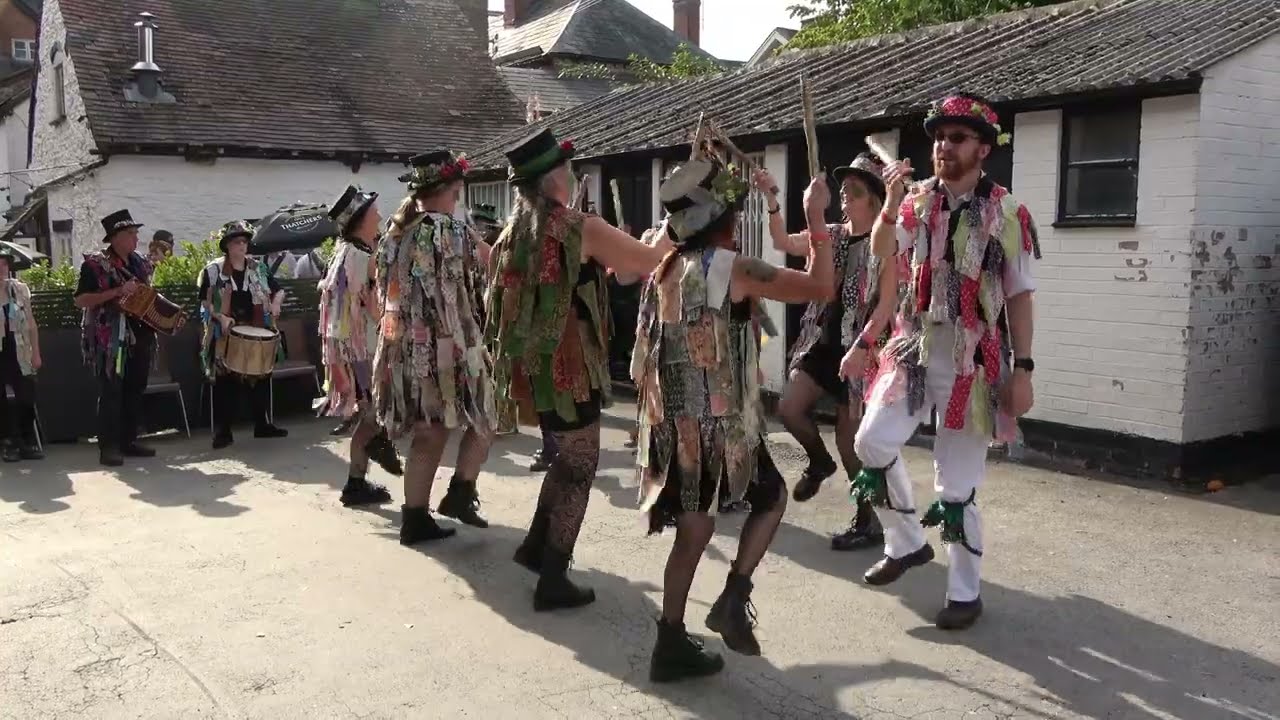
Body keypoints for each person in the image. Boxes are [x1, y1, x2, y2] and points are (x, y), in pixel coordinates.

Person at [634, 157, 834, 682]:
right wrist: (816, 218)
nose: (740, 219)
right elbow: (821, 287)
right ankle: (732, 597)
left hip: (674, 424)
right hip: (720, 427)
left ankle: (669, 642)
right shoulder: (733, 268)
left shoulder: (667, 269)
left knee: (694, 528)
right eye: (736, 211)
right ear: (723, 218)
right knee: (772, 497)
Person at [854, 92, 1039, 631]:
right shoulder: (915, 202)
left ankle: (965, 594)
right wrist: (891, 200)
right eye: (938, 138)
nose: (943, 146)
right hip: (913, 348)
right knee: (871, 441)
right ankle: (906, 542)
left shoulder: (1007, 212)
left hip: (972, 360)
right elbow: (881, 248)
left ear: (983, 148)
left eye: (956, 138)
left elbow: (1020, 296)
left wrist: (1023, 370)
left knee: (956, 486)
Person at [487, 128, 669, 612]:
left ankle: (535, 547)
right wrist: (676, 218)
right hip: (570, 365)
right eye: (567, 169)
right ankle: (553, 577)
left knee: (567, 459)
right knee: (581, 465)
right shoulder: (577, 226)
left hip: (535, 370)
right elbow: (650, 260)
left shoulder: (514, 232)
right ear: (554, 179)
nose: (571, 175)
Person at [757, 153, 895, 552]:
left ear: (874, 200)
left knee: (851, 445)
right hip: (821, 344)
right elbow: (782, 242)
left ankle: (869, 520)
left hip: (862, 352)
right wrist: (772, 201)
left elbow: (887, 306)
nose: (846, 196)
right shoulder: (830, 234)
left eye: (855, 191)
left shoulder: (886, 243)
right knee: (789, 409)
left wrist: (864, 347)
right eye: (844, 190)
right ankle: (818, 462)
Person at [374, 149, 494, 543]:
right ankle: (461, 491)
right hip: (450, 344)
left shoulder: (393, 237)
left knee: (429, 432)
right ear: (451, 188)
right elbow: (492, 264)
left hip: (405, 347)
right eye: (457, 190)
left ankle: (414, 519)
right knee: (486, 414)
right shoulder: (453, 231)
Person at [318, 185, 401, 507]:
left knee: (369, 415)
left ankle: (356, 481)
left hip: (351, 351)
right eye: (374, 211)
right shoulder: (364, 260)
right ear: (361, 219)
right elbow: (377, 310)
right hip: (365, 349)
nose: (379, 215)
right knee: (372, 416)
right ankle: (367, 465)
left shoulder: (344, 254)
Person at [73, 209, 158, 467]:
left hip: (140, 334)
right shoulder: (94, 265)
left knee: (135, 388)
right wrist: (118, 291)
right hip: (110, 338)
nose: (136, 238)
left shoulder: (139, 263)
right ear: (116, 237)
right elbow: (81, 300)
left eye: (135, 233)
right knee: (111, 391)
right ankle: (108, 447)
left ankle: (128, 441)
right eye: (131, 233)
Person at [198, 220, 290, 449]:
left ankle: (262, 425)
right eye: (237, 241)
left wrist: (276, 303)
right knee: (225, 382)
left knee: (261, 378)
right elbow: (205, 303)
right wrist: (220, 317)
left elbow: (279, 291)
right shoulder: (213, 270)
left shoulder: (258, 268)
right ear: (227, 245)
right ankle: (223, 431)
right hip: (225, 333)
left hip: (256, 329)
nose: (242, 245)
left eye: (245, 241)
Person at [0, 246, 42, 461]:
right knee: (3, 401)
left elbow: (32, 323)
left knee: (26, 395)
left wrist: (36, 353)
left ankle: (26, 440)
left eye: (4, 263)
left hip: (20, 349)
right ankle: (9, 442)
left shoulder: (19, 289)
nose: (1, 268)